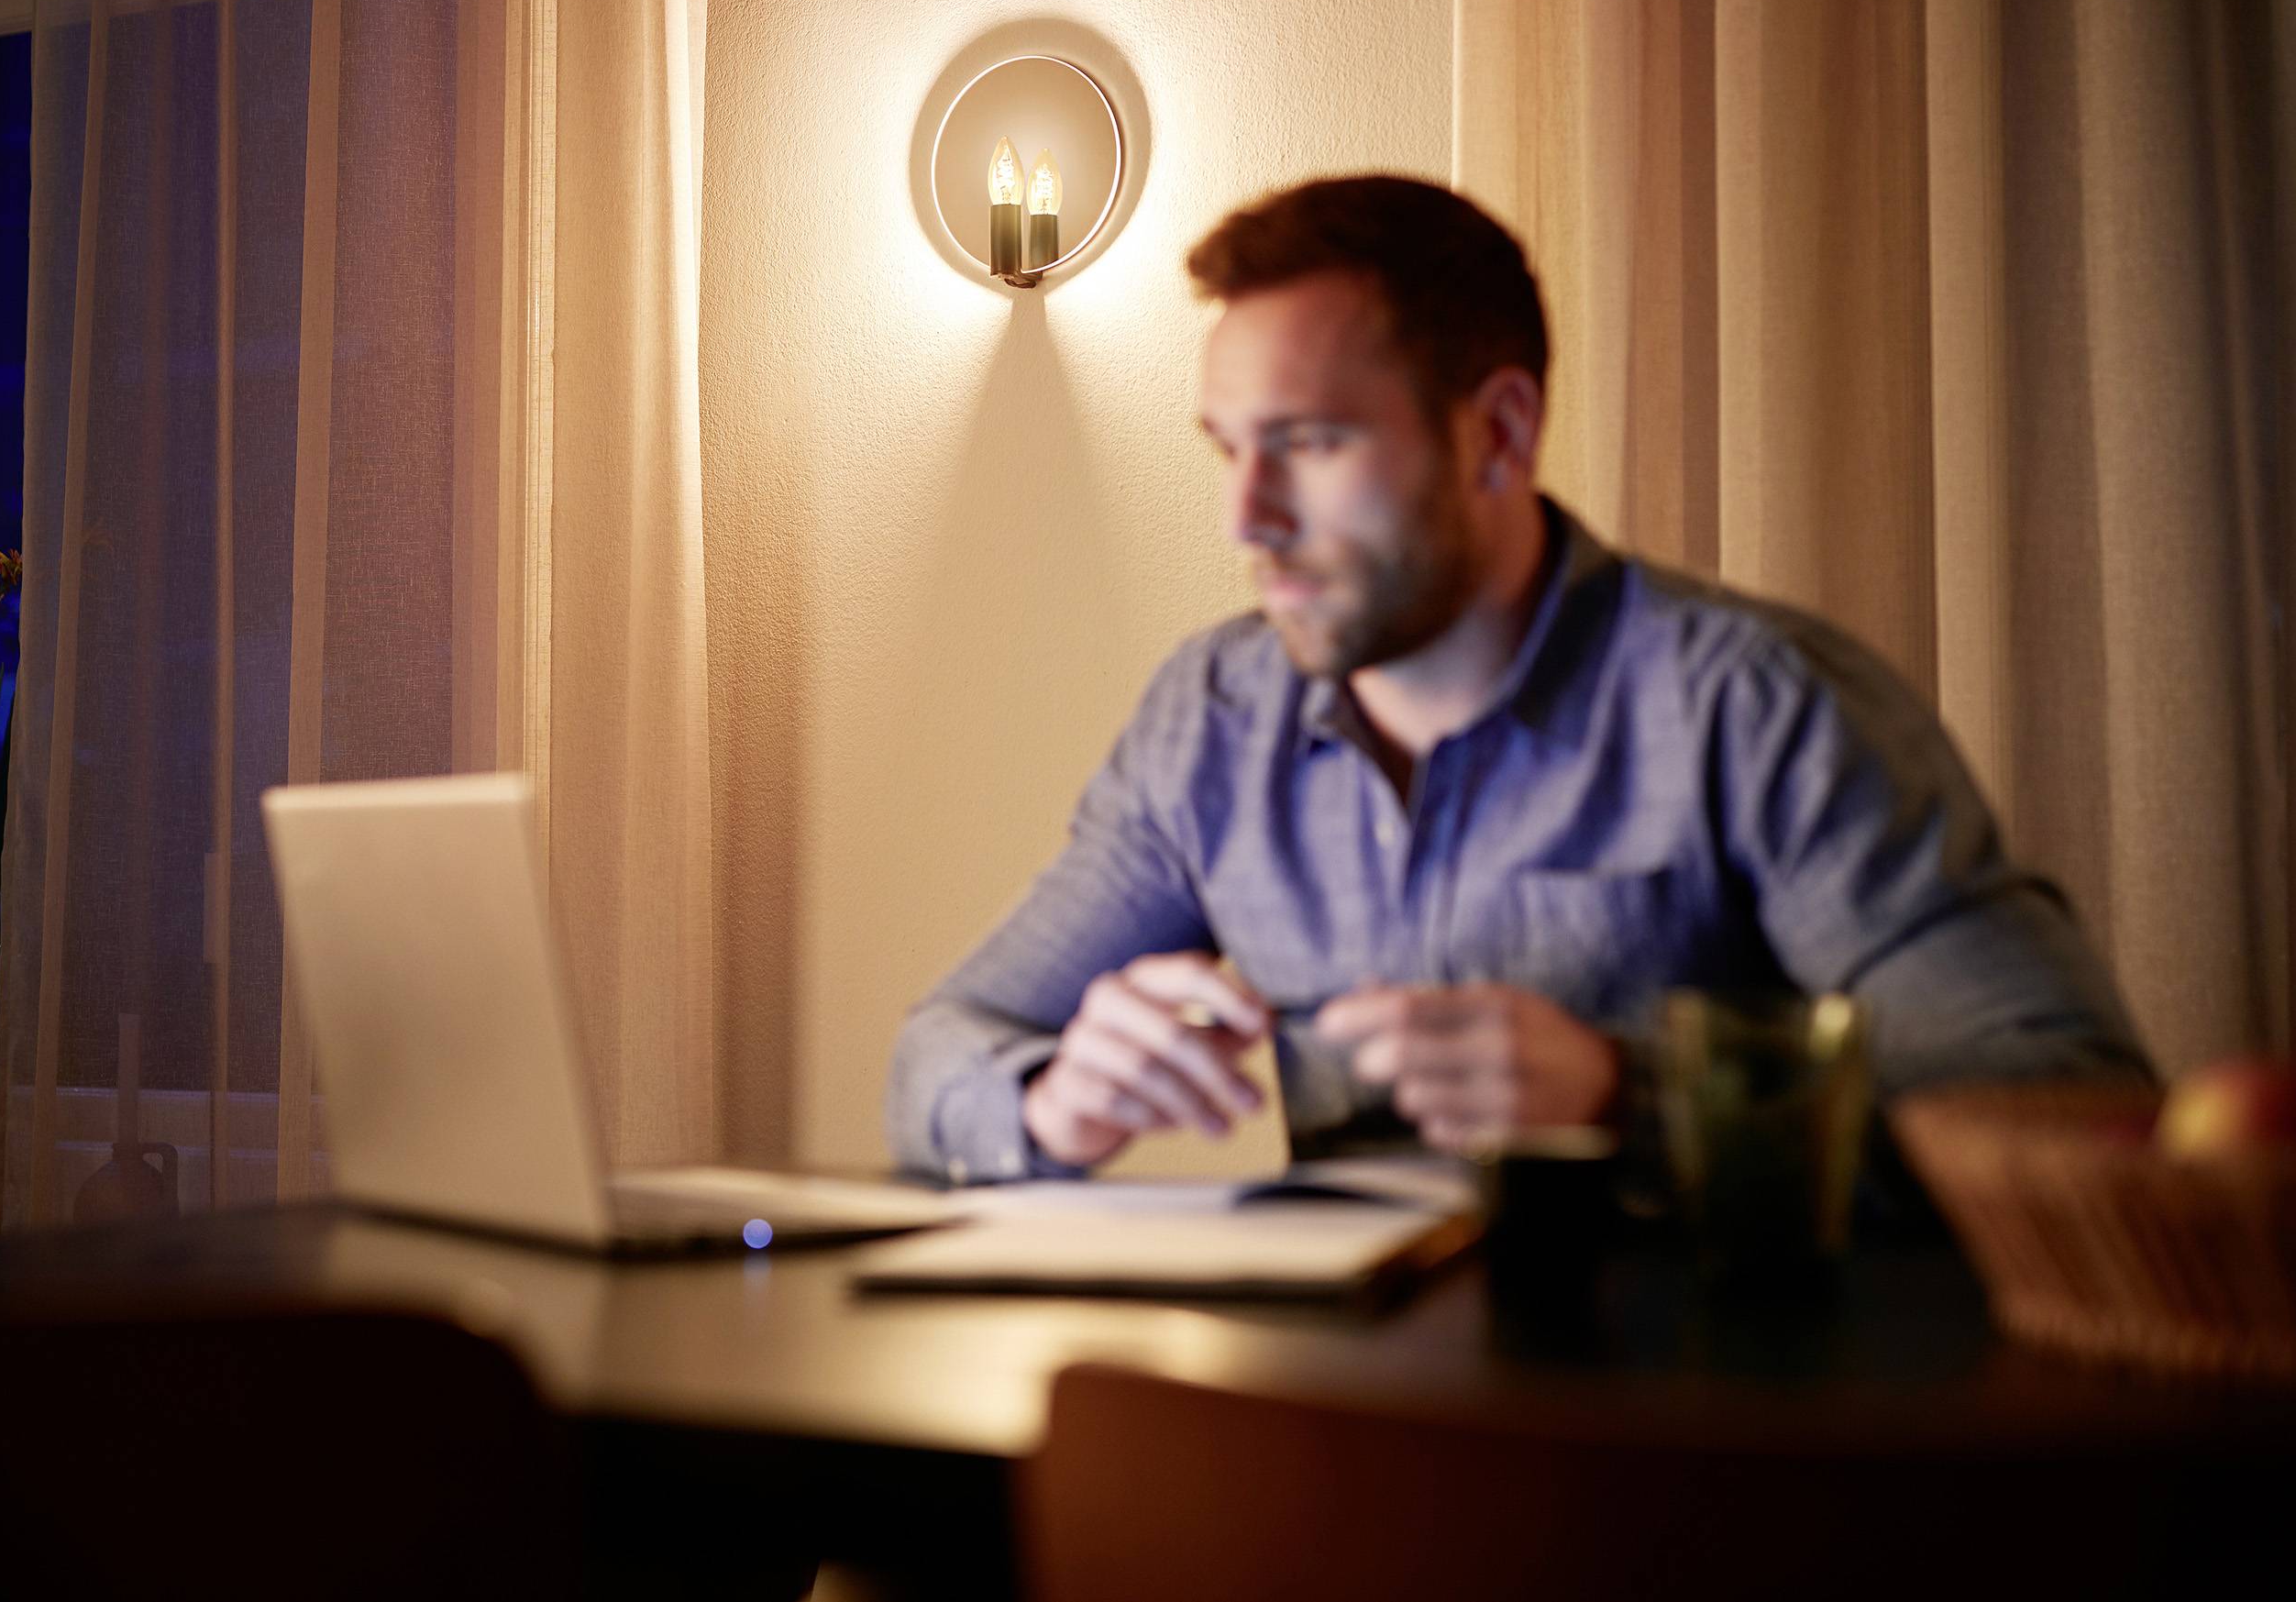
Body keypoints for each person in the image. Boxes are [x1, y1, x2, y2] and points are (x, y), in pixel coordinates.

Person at [886, 175, 2148, 1183]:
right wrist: (1051, 1103)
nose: (1245, 519)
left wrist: (1627, 1093)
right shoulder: (1211, 724)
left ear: (1497, 431)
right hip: (1349, 1423)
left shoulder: (1757, 708)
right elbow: (936, 1055)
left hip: (1693, 1437)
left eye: (1310, 444)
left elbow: (2072, 1110)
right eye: (1227, 449)